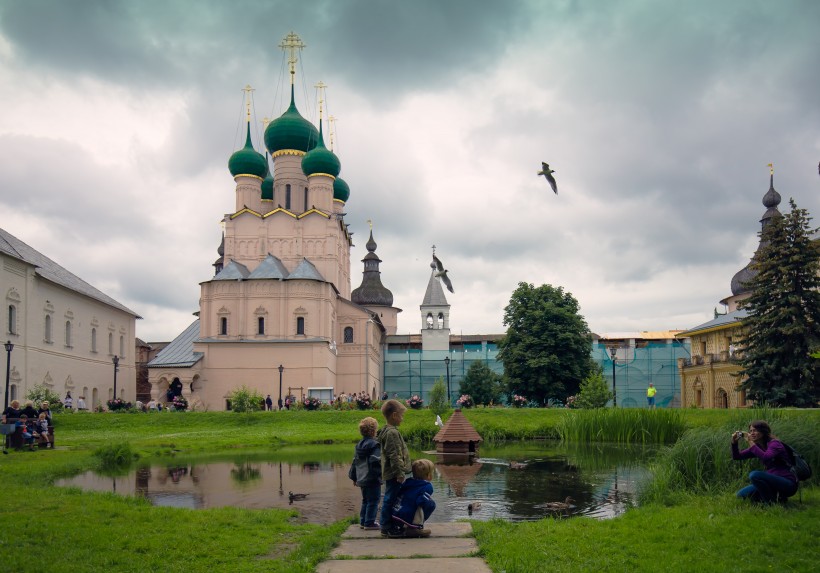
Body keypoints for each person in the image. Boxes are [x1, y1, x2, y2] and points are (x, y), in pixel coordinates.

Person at [732, 420, 798, 504]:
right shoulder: (758, 446)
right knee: (741, 495)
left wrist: (750, 442)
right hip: (771, 481)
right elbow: (737, 456)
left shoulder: (775, 444)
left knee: (754, 475)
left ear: (763, 431)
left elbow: (765, 457)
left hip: (787, 483)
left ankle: (770, 503)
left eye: (755, 430)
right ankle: (779, 498)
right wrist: (734, 442)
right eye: (750, 431)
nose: (752, 433)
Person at [377, 399, 411, 537]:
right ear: (395, 415)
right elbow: (394, 455)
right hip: (393, 474)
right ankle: (386, 526)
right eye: (401, 416)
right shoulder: (391, 433)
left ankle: (391, 523)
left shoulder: (387, 430)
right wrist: (399, 473)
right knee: (390, 499)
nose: (402, 419)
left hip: (392, 473)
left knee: (392, 498)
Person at [391, 458, 436, 538]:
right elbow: (420, 501)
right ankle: (414, 528)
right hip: (407, 515)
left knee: (411, 500)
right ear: (428, 475)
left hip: (396, 514)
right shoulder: (427, 486)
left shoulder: (408, 481)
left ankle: (405, 526)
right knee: (431, 504)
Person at [351, 417, 382, 530]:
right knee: (374, 500)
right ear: (374, 431)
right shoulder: (375, 445)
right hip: (372, 478)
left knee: (365, 500)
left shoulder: (359, 445)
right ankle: (370, 522)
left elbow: (355, 462)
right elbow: (375, 461)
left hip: (361, 478)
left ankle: (363, 521)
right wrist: (379, 476)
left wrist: (354, 477)